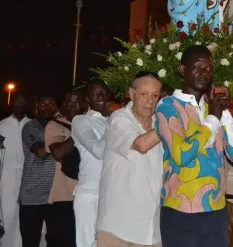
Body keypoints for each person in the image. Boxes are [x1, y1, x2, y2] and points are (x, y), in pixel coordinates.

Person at [155, 44, 233, 246]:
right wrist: (213, 119)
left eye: (208, 69)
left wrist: (224, 114)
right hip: (180, 211)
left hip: (215, 211)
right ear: (183, 70)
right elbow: (181, 155)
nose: (203, 73)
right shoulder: (168, 106)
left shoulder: (212, 108)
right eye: (197, 67)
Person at [96, 71, 163, 247]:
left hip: (151, 228)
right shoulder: (118, 119)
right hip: (118, 228)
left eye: (155, 95)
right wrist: (169, 124)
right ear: (131, 94)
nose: (150, 101)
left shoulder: (159, 122)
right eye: (144, 94)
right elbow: (141, 145)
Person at [0, 93, 30, 247]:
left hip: (27, 179)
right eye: (17, 102)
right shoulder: (0, 126)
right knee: (5, 216)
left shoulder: (32, 125)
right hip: (5, 180)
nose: (20, 105)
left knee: (23, 219)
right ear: (11, 105)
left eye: (23, 102)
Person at [72, 79, 111, 247]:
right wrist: (116, 124)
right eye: (95, 94)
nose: (101, 97)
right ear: (87, 99)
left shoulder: (112, 119)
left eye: (103, 92)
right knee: (88, 243)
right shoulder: (81, 120)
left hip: (111, 195)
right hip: (89, 193)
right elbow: (98, 150)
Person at [46, 90, 85, 247]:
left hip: (87, 194)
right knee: (60, 240)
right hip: (63, 195)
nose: (73, 105)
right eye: (69, 102)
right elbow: (57, 153)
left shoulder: (94, 122)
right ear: (63, 105)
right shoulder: (54, 124)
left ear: (85, 104)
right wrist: (80, 130)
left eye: (77, 102)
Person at [19, 96, 58, 247]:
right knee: (30, 241)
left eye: (51, 104)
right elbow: (41, 152)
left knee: (55, 241)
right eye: (43, 104)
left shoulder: (61, 125)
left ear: (56, 107)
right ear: (37, 107)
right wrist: (62, 143)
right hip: (31, 195)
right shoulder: (31, 127)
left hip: (55, 196)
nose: (47, 107)